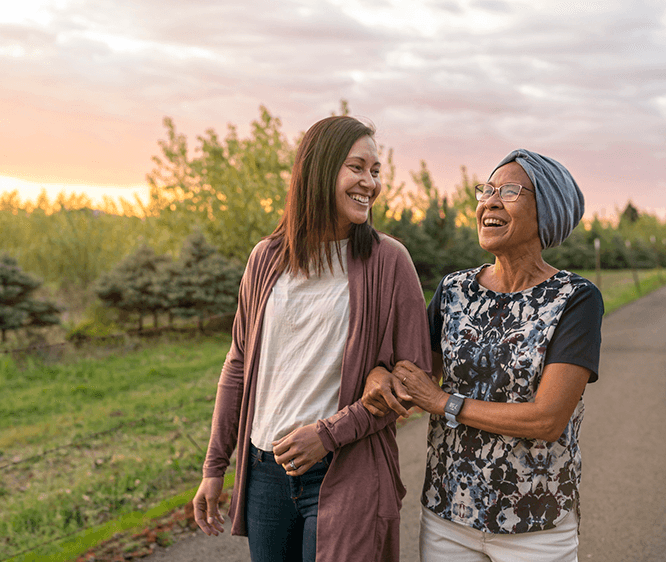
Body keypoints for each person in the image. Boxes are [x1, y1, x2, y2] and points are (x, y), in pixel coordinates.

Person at [192, 115, 431, 562]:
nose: (370, 182)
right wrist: (214, 467)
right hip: (265, 472)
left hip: (345, 468)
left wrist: (329, 434)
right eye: (356, 167)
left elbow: (411, 380)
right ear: (319, 171)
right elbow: (238, 364)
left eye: (375, 171)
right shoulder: (266, 259)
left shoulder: (389, 261)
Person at [362, 149, 603, 562]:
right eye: (486, 190)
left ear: (546, 211)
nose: (489, 200)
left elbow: (547, 419)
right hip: (448, 517)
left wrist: (443, 402)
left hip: (536, 525)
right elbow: (413, 376)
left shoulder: (575, 300)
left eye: (509, 191)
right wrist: (379, 376)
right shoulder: (454, 290)